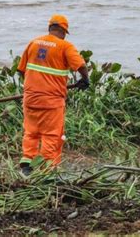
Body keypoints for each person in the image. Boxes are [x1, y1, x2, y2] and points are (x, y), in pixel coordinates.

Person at [17, 14, 89, 175]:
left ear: (50, 28)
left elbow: (21, 70)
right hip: (51, 101)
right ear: (64, 30)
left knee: (31, 132)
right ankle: (48, 171)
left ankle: (27, 163)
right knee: (51, 135)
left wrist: (33, 88)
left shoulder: (33, 43)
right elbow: (81, 66)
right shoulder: (65, 46)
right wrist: (85, 80)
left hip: (30, 98)